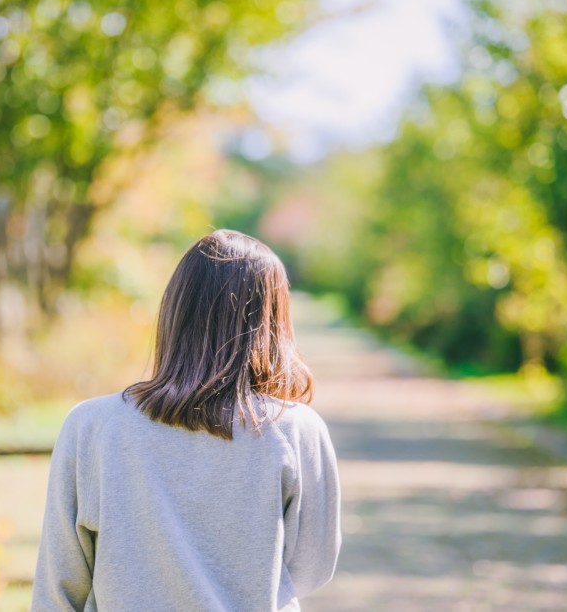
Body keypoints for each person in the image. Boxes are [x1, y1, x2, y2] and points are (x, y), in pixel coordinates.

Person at [31, 229, 341, 612]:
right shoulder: (296, 430)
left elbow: (59, 586)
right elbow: (311, 567)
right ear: (273, 320)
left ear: (175, 313)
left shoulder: (93, 426)